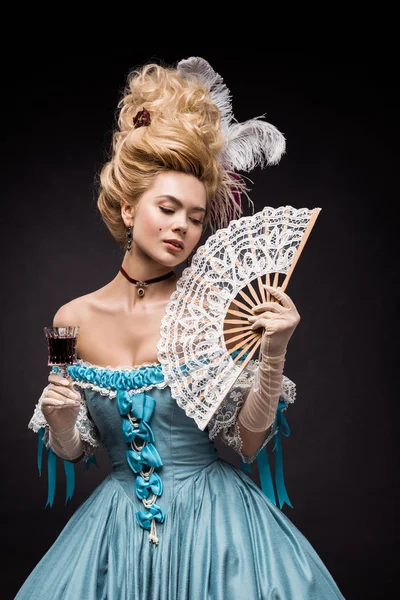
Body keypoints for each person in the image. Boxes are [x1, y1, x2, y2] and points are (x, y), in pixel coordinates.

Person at [15, 57, 345, 599]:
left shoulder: (215, 310)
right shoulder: (66, 323)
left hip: (217, 532)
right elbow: (73, 449)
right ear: (127, 209)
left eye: (195, 217)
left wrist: (276, 353)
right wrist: (59, 423)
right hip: (114, 535)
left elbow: (250, 442)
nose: (182, 228)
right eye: (167, 208)